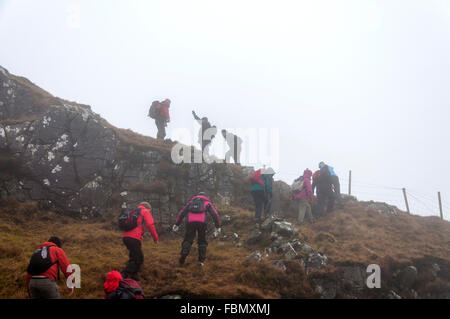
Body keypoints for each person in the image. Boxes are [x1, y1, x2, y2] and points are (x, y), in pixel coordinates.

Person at [172, 192, 221, 266]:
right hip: (202, 223)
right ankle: (201, 261)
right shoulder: (207, 203)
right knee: (202, 240)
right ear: (205, 196)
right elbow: (215, 214)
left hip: (190, 222)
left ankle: (183, 256)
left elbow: (182, 213)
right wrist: (218, 226)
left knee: (188, 239)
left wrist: (177, 224)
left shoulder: (191, 202)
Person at [122, 202, 159, 281]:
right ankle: (123, 275)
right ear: (148, 208)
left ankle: (134, 275)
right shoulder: (145, 211)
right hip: (134, 238)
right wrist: (155, 238)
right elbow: (150, 225)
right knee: (139, 258)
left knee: (134, 257)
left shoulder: (134, 211)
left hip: (126, 237)